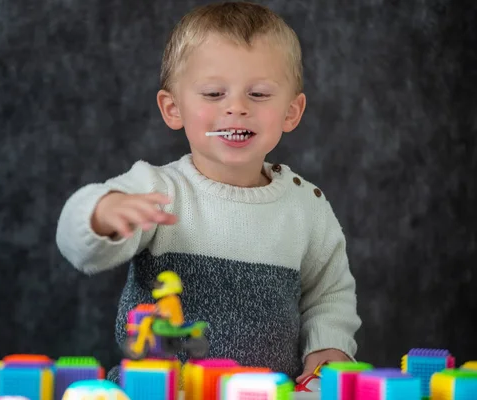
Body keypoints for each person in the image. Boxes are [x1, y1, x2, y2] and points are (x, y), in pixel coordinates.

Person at [56, 1, 361, 384]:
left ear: (291, 112)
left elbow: (329, 296)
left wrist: (326, 354)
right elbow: (77, 246)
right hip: (161, 392)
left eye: (260, 94)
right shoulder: (157, 190)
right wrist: (102, 215)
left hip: (268, 393)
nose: (236, 108)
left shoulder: (307, 208)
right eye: (214, 93)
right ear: (173, 108)